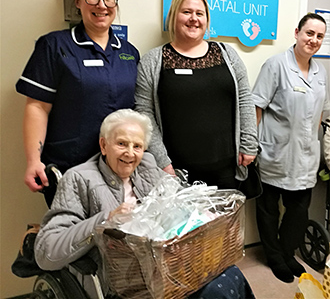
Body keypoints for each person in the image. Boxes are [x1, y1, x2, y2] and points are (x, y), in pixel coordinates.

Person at [34, 109, 255, 299]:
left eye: (137, 146)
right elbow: (46, 252)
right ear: (103, 145)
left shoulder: (147, 166)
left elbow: (177, 201)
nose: (130, 154)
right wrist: (104, 220)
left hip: (172, 264)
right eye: (121, 144)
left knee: (228, 273)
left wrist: (199, 212)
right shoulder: (79, 179)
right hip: (126, 278)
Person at [15, 0, 139, 206]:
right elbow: (37, 107)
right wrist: (33, 160)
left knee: (117, 238)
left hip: (119, 170)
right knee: (75, 239)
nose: (101, 5)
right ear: (77, 0)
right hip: (69, 169)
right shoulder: (54, 46)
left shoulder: (129, 53)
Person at [135, 0, 258, 188]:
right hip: (177, 173)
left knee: (227, 220)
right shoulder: (153, 60)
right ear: (174, 16)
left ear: (207, 20)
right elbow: (144, 113)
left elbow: (244, 98)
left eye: (199, 13)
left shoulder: (227, 54)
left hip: (227, 168)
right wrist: (163, 163)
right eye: (186, 12)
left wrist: (249, 143)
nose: (194, 19)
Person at [252, 13, 329, 283]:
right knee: (269, 210)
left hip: (306, 154)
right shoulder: (276, 65)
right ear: (297, 32)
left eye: (320, 36)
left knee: (298, 211)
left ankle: (286, 252)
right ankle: (274, 258)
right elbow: (257, 106)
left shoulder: (321, 72)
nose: (314, 40)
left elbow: (321, 112)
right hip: (275, 152)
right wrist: (252, 145)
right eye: (309, 33)